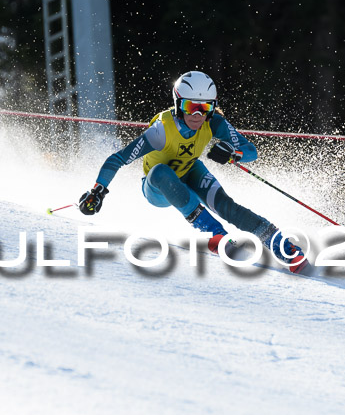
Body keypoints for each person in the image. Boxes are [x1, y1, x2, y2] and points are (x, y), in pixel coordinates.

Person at [78, 71, 309, 274]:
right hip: (157, 187)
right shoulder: (161, 130)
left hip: (190, 171)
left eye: (204, 108)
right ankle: (215, 234)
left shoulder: (215, 122)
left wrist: (233, 153)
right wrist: (98, 191)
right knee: (160, 170)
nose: (197, 115)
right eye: (190, 107)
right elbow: (117, 159)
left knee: (227, 206)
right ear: (178, 104)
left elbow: (251, 151)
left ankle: (284, 248)